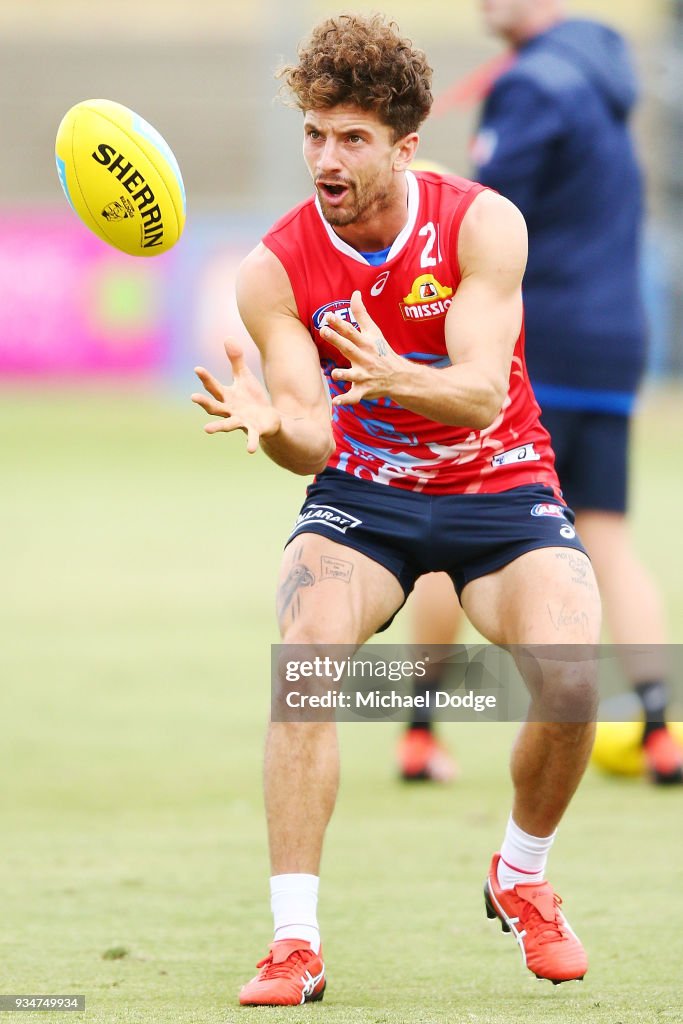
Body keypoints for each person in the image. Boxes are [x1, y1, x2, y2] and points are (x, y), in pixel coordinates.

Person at [192, 13, 601, 1005]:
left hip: (497, 482)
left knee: (572, 676)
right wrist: (268, 427)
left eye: (351, 138)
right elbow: (312, 435)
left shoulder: (479, 223)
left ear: (403, 145)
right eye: (313, 134)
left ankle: (520, 874)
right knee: (307, 656)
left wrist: (389, 373)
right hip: (363, 499)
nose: (324, 158)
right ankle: (295, 942)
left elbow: (472, 389)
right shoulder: (274, 271)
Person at [405, 0, 683, 786]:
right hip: (614, 339)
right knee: (607, 532)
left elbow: (483, 219)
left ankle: (421, 733)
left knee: (441, 522)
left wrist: (421, 187)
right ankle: (661, 730)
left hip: (537, 343)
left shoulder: (530, 84)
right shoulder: (604, 69)